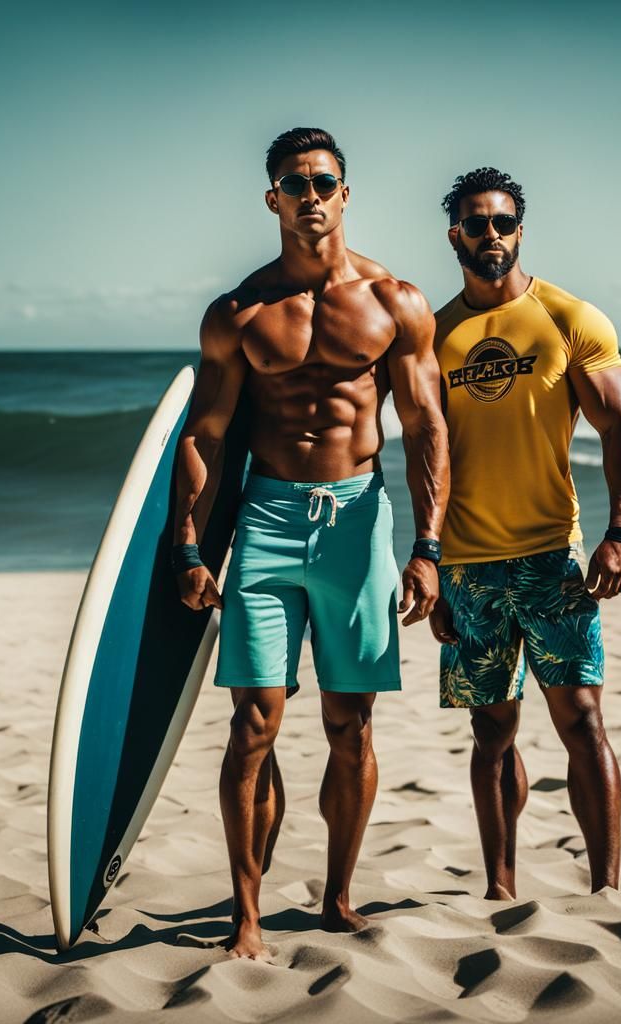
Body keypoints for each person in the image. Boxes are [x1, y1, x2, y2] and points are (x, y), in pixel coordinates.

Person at [172, 127, 449, 959]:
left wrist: (428, 545)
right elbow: (207, 435)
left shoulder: (395, 301)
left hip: (358, 518)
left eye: (325, 182)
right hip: (267, 520)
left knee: (350, 724)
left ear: (346, 193)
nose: (311, 197)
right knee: (253, 722)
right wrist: (188, 544)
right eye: (295, 185)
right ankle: (246, 914)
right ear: (273, 200)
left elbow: (426, 424)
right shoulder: (238, 312)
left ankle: (336, 897)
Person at [428, 167, 621, 899]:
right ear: (452, 231)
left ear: (520, 229)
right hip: (466, 565)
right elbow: (425, 458)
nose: (490, 234)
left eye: (502, 222)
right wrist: (427, 560)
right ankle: (500, 887)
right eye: (475, 222)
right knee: (491, 734)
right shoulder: (433, 335)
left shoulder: (570, 317)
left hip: (553, 558)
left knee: (581, 720)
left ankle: (606, 890)